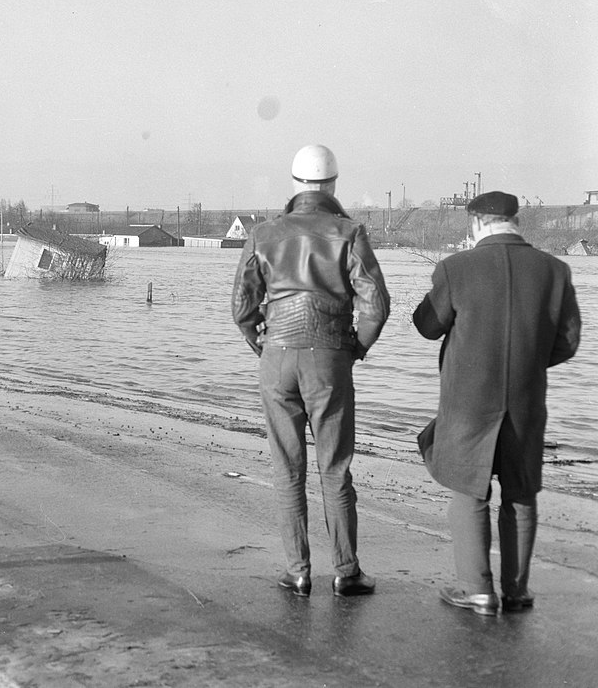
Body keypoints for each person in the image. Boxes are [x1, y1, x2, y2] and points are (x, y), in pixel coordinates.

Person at [232, 145, 390, 597]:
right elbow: (375, 305)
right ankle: (347, 571)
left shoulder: (264, 234)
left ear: (295, 184)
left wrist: (261, 344)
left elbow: (242, 307)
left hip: (276, 356)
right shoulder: (349, 232)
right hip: (329, 356)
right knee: (335, 468)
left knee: (287, 468)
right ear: (333, 184)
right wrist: (354, 348)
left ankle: (298, 572)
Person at [413, 191, 580, 616]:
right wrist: (528, 363)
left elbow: (427, 326)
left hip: (468, 401)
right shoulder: (555, 271)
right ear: (515, 221)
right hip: (527, 401)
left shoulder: (456, 268)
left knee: (470, 491)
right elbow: (568, 342)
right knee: (521, 493)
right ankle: (517, 591)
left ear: (476, 225)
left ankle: (477, 590)